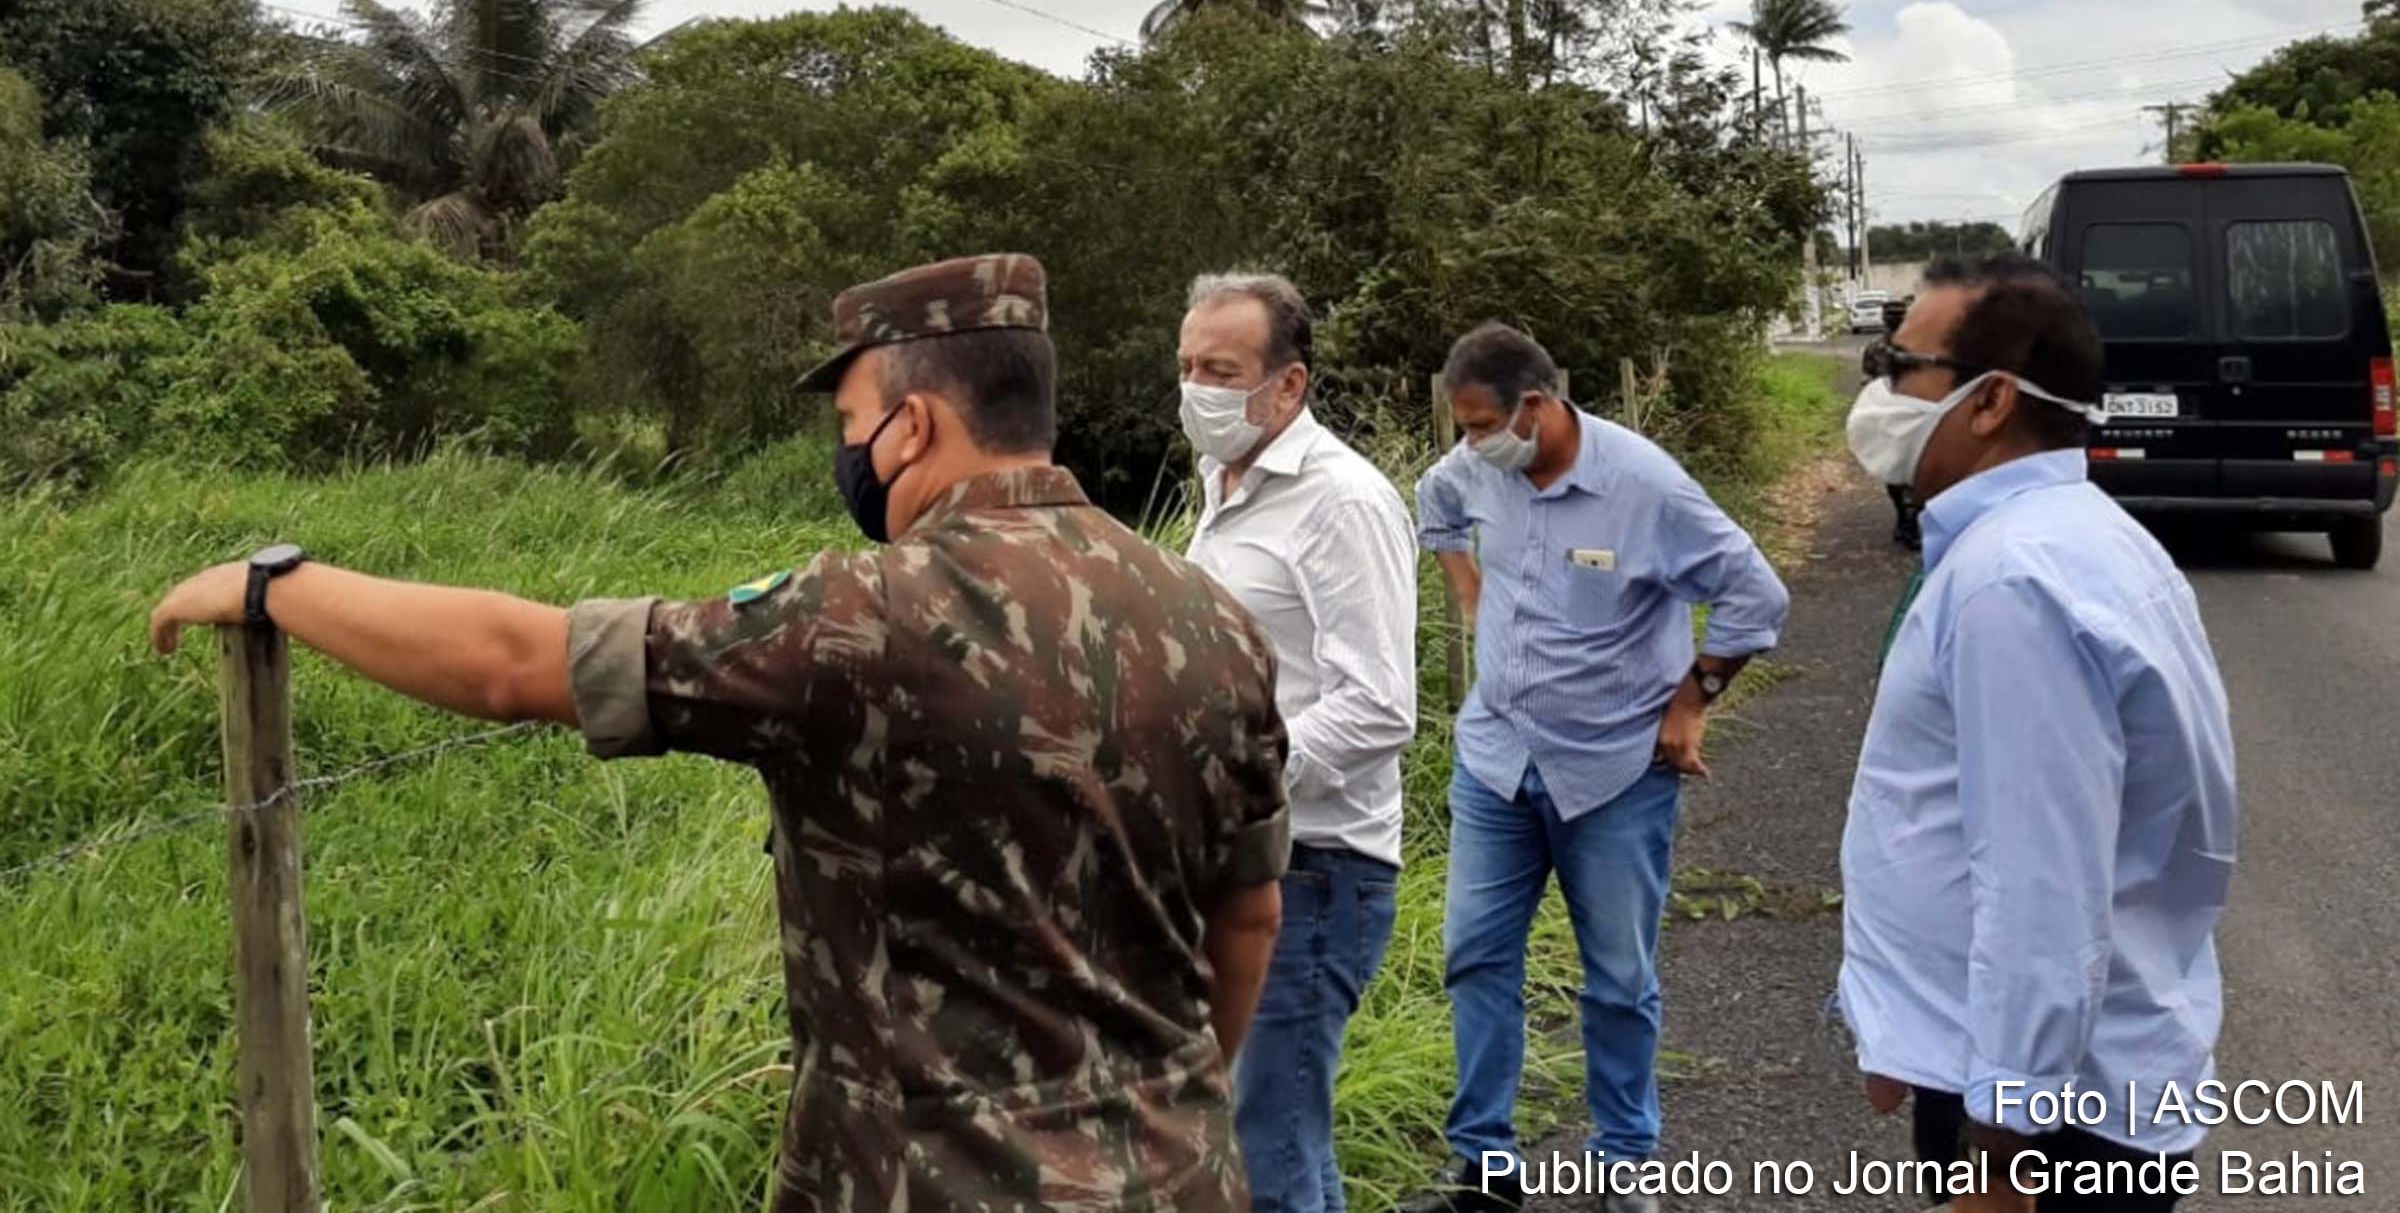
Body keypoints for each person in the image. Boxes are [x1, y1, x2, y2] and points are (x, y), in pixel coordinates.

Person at [148, 254, 1295, 1213]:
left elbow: (514, 664)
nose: (848, 450)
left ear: (913, 426)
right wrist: (1163, 1100)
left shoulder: (865, 612)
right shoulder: (1215, 619)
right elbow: (1250, 912)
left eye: (850, 423)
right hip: (1185, 1171)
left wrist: (275, 584)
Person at [1838, 254, 2238, 1212]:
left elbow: (2041, 889)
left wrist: (2001, 1157)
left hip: (2051, 1126)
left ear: (1990, 401)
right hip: (2044, 1080)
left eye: (1900, 367)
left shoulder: (2012, 583)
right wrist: (1896, 1029)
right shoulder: (2072, 536)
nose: (1880, 390)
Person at [1403, 323, 1791, 1213]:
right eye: (1462, 428)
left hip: (1614, 771)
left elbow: (1756, 594)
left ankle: (1624, 1163)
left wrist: (1694, 698)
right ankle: (1485, 1169)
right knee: (1476, 959)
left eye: (1482, 425)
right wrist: (1469, 590)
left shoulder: (1646, 488)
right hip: (1497, 761)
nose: (1471, 444)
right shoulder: (1474, 469)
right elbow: (1436, 499)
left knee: (1618, 978)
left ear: (1535, 407)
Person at [1176, 273, 1419, 1213]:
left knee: (1265, 1155)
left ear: (1288, 385)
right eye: (1188, 367)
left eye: (1222, 371)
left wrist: (1236, 779)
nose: (1197, 389)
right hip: (1246, 861)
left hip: (1315, 869)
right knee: (1284, 1141)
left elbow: (1378, 705)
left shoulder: (1341, 502)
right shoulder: (1225, 485)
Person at [1875, 293, 1923, 550]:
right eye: (1890, 313)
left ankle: (1913, 521)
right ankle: (1902, 516)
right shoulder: (1875, 348)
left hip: (1914, 417)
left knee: (1914, 471)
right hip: (1886, 417)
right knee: (1892, 471)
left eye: (1899, 313)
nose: (1894, 317)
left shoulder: (1919, 346)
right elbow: (1867, 381)